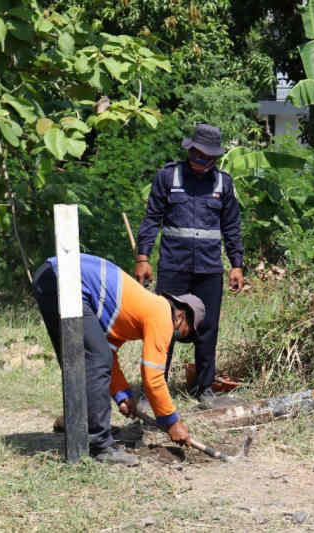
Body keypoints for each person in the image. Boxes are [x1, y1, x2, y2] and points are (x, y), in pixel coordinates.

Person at [32, 253, 204, 466]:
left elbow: (108, 356)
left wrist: (123, 394)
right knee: (95, 358)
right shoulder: (162, 313)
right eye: (183, 333)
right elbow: (153, 378)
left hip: (51, 276)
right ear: (180, 317)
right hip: (64, 278)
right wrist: (171, 422)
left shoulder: (132, 315)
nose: (175, 338)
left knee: (82, 361)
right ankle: (100, 446)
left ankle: (78, 425)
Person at [134, 123, 244, 403]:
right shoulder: (168, 176)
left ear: (215, 158)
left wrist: (236, 264)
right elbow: (151, 218)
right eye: (196, 155)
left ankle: (204, 389)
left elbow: (232, 227)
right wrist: (143, 257)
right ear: (189, 150)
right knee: (163, 325)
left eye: (207, 158)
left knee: (207, 329)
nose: (200, 161)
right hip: (173, 267)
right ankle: (154, 390)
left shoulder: (224, 183)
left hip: (209, 269)